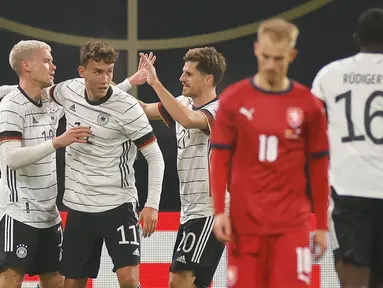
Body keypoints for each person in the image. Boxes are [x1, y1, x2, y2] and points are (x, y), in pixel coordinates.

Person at [210, 18, 329, 288]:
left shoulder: (308, 105)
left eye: (278, 58)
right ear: (255, 50)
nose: (271, 65)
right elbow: (219, 158)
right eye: (265, 57)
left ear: (292, 55)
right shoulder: (233, 99)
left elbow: (319, 168)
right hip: (244, 226)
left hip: (291, 226)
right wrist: (219, 211)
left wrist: (321, 224)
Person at [48, 40, 164, 288]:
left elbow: (155, 155)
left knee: (129, 280)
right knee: (72, 283)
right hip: (79, 206)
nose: (105, 78)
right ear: (82, 72)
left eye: (109, 71)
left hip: (117, 205)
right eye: (98, 72)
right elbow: (33, 92)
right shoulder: (67, 90)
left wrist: (152, 204)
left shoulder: (128, 107)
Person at [0, 40, 91, 288]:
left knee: (55, 280)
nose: (53, 66)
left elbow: (91, 97)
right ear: (27, 66)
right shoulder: (10, 106)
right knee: (10, 278)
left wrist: (130, 83)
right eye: (47, 60)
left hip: (49, 214)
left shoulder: (52, 101)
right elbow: (11, 158)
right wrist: (56, 143)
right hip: (18, 212)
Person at [138, 47, 227, 288]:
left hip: (209, 211)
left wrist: (155, 83)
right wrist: (112, 89)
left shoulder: (221, 111)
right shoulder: (182, 102)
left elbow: (188, 119)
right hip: (191, 210)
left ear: (208, 79)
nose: (181, 78)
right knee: (195, 283)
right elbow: (144, 109)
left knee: (179, 281)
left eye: (188, 74)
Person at [311, 7, 383, 288]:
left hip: (349, 192)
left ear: (356, 37)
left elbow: (310, 134)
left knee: (353, 282)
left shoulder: (330, 75)